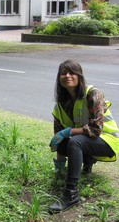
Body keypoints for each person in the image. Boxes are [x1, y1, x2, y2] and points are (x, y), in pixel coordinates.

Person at [49, 59, 119, 213]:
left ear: (79, 76)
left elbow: (95, 129)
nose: (68, 75)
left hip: (108, 140)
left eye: (72, 72)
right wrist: (59, 167)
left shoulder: (93, 94)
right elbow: (59, 137)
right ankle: (87, 161)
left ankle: (71, 194)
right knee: (64, 141)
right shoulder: (61, 104)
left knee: (75, 141)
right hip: (87, 140)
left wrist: (69, 131)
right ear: (59, 78)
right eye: (63, 73)